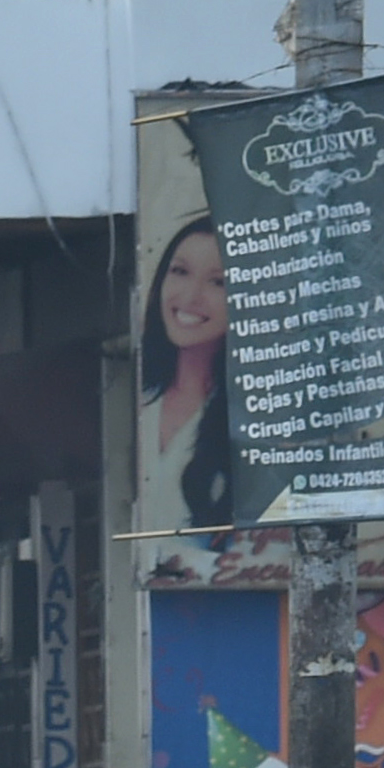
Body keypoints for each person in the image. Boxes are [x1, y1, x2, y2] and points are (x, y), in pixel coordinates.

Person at [138, 215, 234, 531]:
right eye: (180, 271)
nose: (191, 298)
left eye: (217, 282)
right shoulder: (135, 397)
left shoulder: (255, 417)